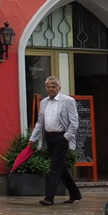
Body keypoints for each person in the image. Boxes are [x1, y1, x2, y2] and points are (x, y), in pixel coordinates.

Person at [31, 76, 81, 205]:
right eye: (48, 87)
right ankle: (75, 193)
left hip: (61, 137)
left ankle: (49, 197)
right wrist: (33, 139)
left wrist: (67, 136)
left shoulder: (68, 101)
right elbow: (40, 122)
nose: (51, 89)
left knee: (54, 167)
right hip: (49, 137)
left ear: (59, 88)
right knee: (60, 167)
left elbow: (74, 122)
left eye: (53, 87)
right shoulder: (44, 102)